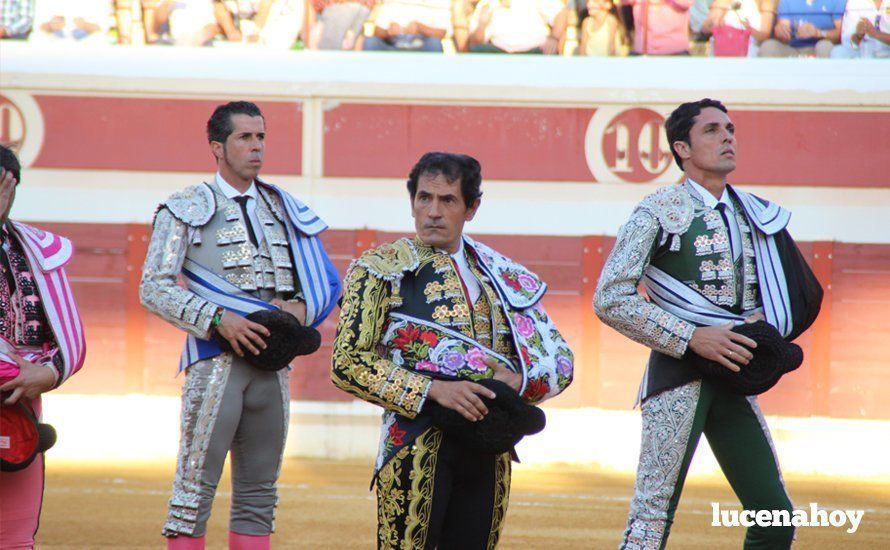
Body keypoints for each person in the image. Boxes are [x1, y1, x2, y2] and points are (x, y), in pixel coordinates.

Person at [594, 99, 822, 549]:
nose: (728, 137)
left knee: (774, 517)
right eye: (713, 131)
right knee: (650, 520)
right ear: (682, 148)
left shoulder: (753, 212)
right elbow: (609, 297)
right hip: (678, 377)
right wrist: (691, 336)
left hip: (733, 376)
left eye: (731, 129)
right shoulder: (659, 211)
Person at [331, 151, 574, 549]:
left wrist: (520, 379)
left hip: (491, 444)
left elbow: (558, 360)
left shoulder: (500, 274)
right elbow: (347, 363)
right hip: (416, 438)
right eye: (424, 198)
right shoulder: (379, 269)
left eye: (447, 201)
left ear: (471, 208)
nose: (432, 212)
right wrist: (434, 390)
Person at [140, 101, 341, 550]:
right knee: (192, 495)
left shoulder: (286, 208)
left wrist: (300, 314)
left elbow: (326, 282)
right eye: (244, 138)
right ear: (217, 147)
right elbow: (152, 287)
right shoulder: (183, 208)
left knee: (259, 497)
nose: (256, 147)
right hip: (216, 363)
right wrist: (217, 319)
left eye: (261, 137)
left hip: (272, 369)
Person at [0, 145, 87, 549]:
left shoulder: (32, 250)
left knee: (15, 535)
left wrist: (49, 373)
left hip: (19, 405)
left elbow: (61, 335)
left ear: (12, 186)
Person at [467, 0, 569, 54]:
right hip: (499, 55)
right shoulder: (487, 4)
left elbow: (562, 14)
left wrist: (554, 38)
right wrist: (482, 25)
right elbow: (475, 42)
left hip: (534, 52)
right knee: (476, 50)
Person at [759, 0, 844, 57]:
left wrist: (818, 33)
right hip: (793, 48)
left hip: (819, 48)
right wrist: (781, 31)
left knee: (825, 46)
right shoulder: (787, 1)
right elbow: (783, 30)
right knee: (768, 46)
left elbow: (840, 34)